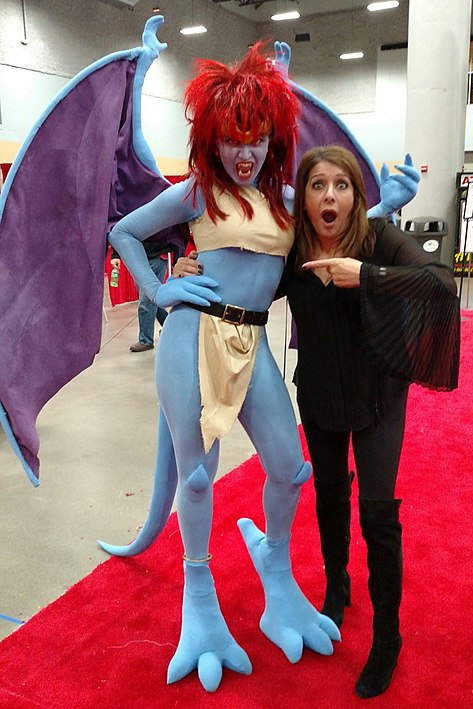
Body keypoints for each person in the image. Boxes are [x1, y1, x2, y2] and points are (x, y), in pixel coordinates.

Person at [175, 145, 460, 698]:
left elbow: (441, 282)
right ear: (301, 199)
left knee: (378, 515)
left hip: (379, 400)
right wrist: (192, 266)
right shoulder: (294, 254)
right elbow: (246, 287)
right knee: (328, 496)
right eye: (318, 186)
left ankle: (387, 638)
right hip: (321, 399)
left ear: (357, 195)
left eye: (342, 186)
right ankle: (336, 589)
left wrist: (368, 276)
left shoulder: (379, 241)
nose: (330, 196)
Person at [102, 43, 342, 693]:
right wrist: (159, 289)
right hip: (192, 338)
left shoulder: (289, 199)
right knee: (199, 479)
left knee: (291, 468)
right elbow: (123, 230)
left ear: (272, 138)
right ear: (213, 140)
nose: (245, 153)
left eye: (257, 138)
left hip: (254, 341)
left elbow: (339, 228)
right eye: (233, 139)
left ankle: (275, 565)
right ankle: (199, 591)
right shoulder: (195, 194)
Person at [110, 228, 184, 352]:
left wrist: (178, 260)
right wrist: (116, 255)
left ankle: (146, 340)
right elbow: (122, 230)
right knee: (153, 300)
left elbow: (174, 232)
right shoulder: (132, 211)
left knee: (146, 302)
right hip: (138, 259)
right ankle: (173, 328)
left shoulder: (159, 211)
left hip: (156, 257)